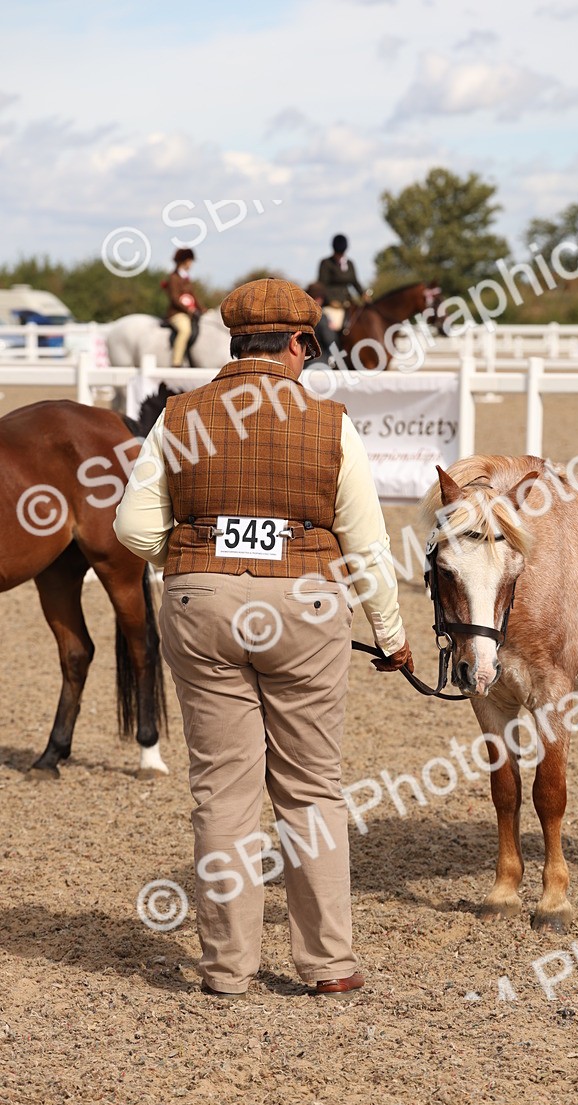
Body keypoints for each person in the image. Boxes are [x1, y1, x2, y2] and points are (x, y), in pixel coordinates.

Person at [114, 277, 414, 1000]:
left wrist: (190, 559)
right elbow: (368, 547)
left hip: (200, 600)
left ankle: (226, 969)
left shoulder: (179, 417)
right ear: (298, 346)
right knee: (312, 789)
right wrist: (392, 634)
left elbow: (132, 529)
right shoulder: (330, 422)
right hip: (305, 607)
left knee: (222, 794)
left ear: (235, 344)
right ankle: (328, 964)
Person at [165, 248, 205, 367]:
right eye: (190, 261)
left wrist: (202, 309)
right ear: (185, 261)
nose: (191, 264)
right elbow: (175, 298)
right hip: (177, 313)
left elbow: (193, 296)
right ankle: (176, 362)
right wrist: (189, 310)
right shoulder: (174, 278)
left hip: (189, 313)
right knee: (185, 330)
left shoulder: (186, 277)